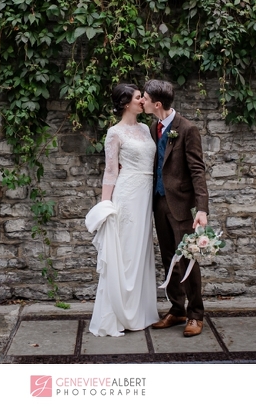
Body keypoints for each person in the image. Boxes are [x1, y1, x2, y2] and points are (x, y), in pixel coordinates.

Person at [87, 83, 160, 337]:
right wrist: (105, 205)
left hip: (145, 196)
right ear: (126, 103)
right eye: (139, 97)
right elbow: (110, 171)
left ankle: (139, 312)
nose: (143, 100)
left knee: (140, 251)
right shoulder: (114, 133)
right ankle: (118, 312)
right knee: (126, 252)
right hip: (127, 195)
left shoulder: (146, 129)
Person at [143, 79, 210, 337]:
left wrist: (201, 209)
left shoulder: (187, 129)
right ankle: (177, 309)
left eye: (145, 98)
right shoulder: (154, 127)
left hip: (181, 205)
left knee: (188, 259)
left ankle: (195, 314)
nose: (142, 101)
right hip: (159, 203)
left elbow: (197, 170)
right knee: (169, 257)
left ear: (157, 104)